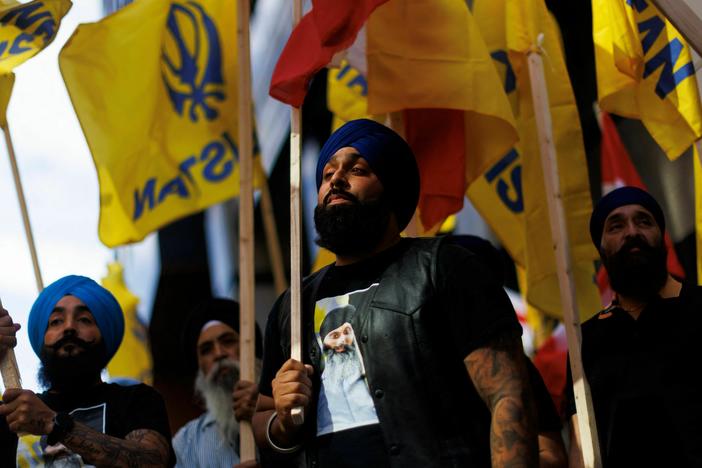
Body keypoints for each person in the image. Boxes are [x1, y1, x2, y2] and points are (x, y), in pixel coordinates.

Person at [252, 118, 538, 467]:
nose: (336, 181)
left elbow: (507, 394)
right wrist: (282, 423)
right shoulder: (293, 304)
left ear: (392, 189)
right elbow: (263, 417)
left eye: (357, 169)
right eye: (327, 175)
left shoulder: (443, 268)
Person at [567, 186, 702, 467]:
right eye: (616, 225)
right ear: (601, 248)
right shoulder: (586, 339)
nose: (632, 232)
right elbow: (582, 444)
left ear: (661, 237)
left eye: (644, 221)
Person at [0, 275, 174, 467]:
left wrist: (53, 423)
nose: (69, 328)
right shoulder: (12, 413)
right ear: (42, 339)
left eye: (84, 320)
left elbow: (153, 461)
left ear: (104, 334)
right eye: (56, 321)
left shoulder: (138, 400)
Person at [173, 298, 262, 468]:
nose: (219, 353)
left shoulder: (285, 415)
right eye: (206, 350)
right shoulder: (186, 443)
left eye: (228, 341)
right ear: (200, 368)